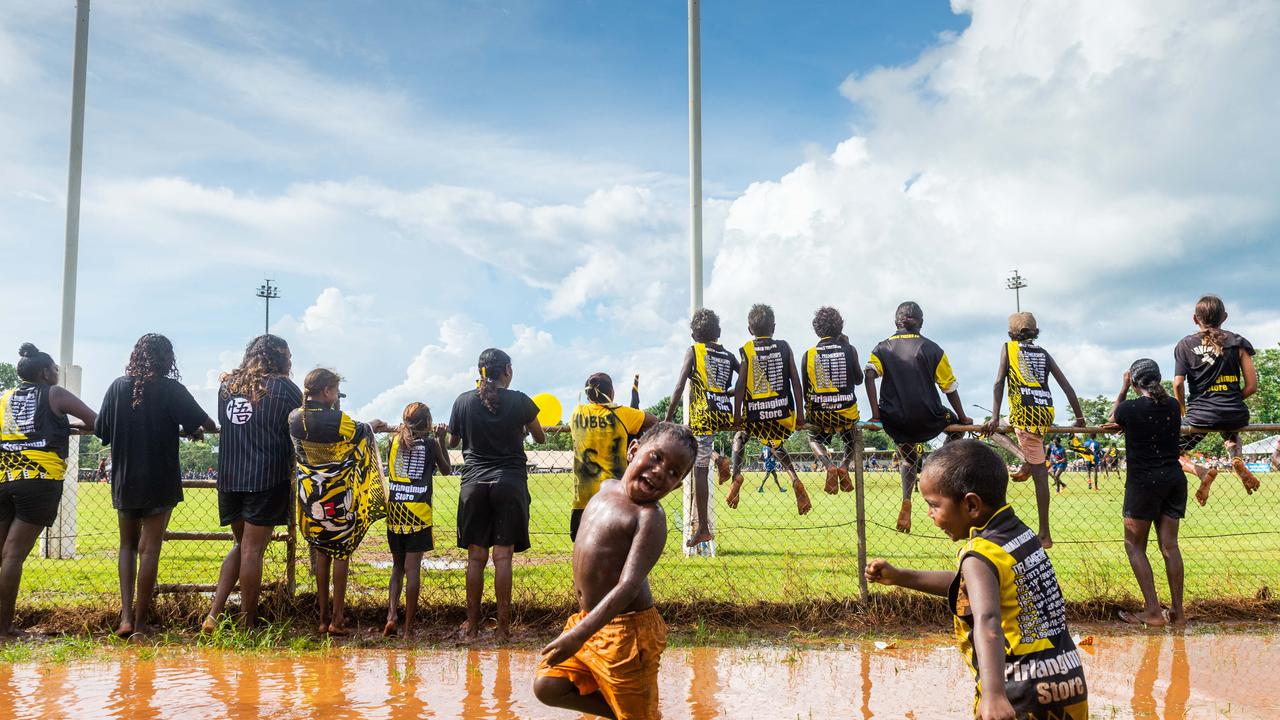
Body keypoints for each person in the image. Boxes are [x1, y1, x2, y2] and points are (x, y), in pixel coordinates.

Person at [864, 440, 1088, 719]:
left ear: (971, 504)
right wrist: (901, 576)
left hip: (1016, 692)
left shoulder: (979, 553)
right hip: (1067, 681)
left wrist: (994, 695)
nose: (930, 514)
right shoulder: (1020, 536)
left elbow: (988, 620)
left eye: (934, 505)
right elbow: (977, 588)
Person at [533, 422, 697, 720]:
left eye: (674, 473)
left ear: (676, 486)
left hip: (628, 634)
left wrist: (578, 635)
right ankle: (624, 713)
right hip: (591, 621)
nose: (661, 471)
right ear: (633, 451)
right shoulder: (605, 488)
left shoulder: (650, 518)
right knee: (548, 686)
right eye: (657, 457)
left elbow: (628, 586)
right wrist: (583, 629)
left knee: (638, 715)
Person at [96, 333, 216, 638]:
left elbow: (102, 430)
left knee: (127, 547)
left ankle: (125, 617)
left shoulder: (116, 387)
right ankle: (140, 623)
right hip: (160, 479)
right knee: (150, 550)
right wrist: (194, 432)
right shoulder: (170, 388)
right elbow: (205, 423)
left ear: (135, 355)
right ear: (167, 358)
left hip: (125, 480)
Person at [203, 334, 301, 632]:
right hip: (266, 477)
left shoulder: (227, 387)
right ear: (280, 356)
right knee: (252, 550)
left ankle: (214, 613)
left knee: (242, 545)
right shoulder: (285, 388)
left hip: (230, 478)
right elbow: (303, 422)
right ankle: (247, 622)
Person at [0, 344, 97, 640]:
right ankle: (4, 629)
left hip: (4, 476)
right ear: (45, 372)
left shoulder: (4, 397)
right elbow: (97, 420)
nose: (57, 373)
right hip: (40, 479)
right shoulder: (55, 394)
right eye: (55, 369)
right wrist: (70, 427)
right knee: (14, 555)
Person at [448, 348, 545, 641]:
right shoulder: (520, 401)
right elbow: (540, 437)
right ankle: (503, 630)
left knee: (476, 559)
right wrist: (520, 431)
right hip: (510, 482)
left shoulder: (463, 401)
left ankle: (473, 627)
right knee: (503, 558)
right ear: (508, 371)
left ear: (480, 372)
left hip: (474, 484)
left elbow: (453, 441)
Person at [289, 368, 385, 635]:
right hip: (337, 497)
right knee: (341, 552)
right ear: (328, 392)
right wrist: (372, 425)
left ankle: (321, 619)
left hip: (310, 497)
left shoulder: (295, 418)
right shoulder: (337, 419)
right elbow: (359, 432)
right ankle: (337, 619)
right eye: (335, 390)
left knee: (321, 551)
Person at [864, 302, 973, 533]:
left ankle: (907, 498)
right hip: (928, 416)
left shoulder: (882, 348)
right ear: (921, 323)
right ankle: (934, 463)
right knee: (957, 429)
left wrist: (876, 415)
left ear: (896, 322)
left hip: (894, 419)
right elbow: (949, 388)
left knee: (908, 458)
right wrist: (963, 418)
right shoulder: (933, 349)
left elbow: (869, 375)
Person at [981, 312, 1087, 548]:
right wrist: (1079, 418)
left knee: (1039, 475)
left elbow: (999, 382)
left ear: (1011, 334)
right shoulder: (1043, 353)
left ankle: (1044, 533)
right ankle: (1026, 459)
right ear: (1035, 333)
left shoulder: (1008, 348)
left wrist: (995, 416)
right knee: (998, 432)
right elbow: (1066, 386)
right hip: (1044, 413)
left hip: (1024, 414)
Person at [1109, 359, 1186, 626]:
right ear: (1158, 378)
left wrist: (1121, 390)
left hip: (1143, 483)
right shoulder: (1173, 406)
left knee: (1134, 545)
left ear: (1134, 382)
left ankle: (1153, 611)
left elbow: (1112, 417)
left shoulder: (1129, 408)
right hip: (1174, 479)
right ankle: (1178, 612)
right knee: (1170, 546)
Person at [371, 402, 451, 638]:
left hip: (395, 511)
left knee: (397, 567)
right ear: (428, 423)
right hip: (418, 513)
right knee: (412, 569)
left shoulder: (393, 441)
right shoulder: (430, 444)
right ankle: (408, 629)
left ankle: (391, 615)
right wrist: (442, 441)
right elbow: (447, 470)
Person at [723, 305, 810, 515]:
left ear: (749, 330)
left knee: (740, 437)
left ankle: (737, 475)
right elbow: (796, 382)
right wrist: (800, 415)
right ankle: (795, 479)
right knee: (776, 444)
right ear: (774, 327)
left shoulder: (747, 349)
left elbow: (741, 385)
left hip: (755, 418)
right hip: (784, 416)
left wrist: (736, 417)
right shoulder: (784, 347)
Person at [1173, 295, 1259, 505]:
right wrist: (1231, 398)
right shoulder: (1238, 342)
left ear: (1195, 319)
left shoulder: (1185, 345)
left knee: (1167, 451)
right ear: (1225, 317)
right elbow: (1252, 386)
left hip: (1201, 416)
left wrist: (1183, 410)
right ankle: (1236, 458)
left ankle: (1201, 471)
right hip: (1234, 412)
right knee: (1230, 428)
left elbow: (1177, 383)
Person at [663, 308, 736, 546]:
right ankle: (719, 458)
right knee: (690, 439)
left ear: (694, 336)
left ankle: (703, 526)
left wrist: (667, 417)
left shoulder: (694, 351)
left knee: (700, 470)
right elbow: (744, 372)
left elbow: (679, 385)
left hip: (704, 415)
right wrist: (731, 393)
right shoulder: (727, 354)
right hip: (724, 412)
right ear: (719, 332)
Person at [569, 373, 656, 540]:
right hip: (614, 497)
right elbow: (653, 420)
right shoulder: (621, 413)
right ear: (611, 392)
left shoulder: (576, 413)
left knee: (583, 551)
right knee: (614, 549)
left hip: (583, 498)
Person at [801, 307, 863, 495]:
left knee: (813, 438)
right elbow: (859, 379)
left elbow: (806, 391)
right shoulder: (849, 350)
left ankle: (828, 466)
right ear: (840, 327)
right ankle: (844, 465)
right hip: (846, 413)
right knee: (851, 436)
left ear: (817, 330)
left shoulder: (809, 354)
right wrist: (848, 346)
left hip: (819, 415)